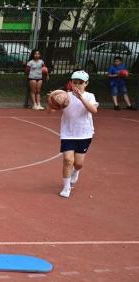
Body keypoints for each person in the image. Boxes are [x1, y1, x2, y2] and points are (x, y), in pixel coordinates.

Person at [55, 70, 98, 198]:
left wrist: (81, 98)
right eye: (75, 82)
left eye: (81, 83)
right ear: (71, 83)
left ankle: (76, 171)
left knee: (78, 163)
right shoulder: (64, 96)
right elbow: (50, 110)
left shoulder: (90, 96)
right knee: (68, 160)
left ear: (86, 84)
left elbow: (93, 110)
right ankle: (66, 187)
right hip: (68, 133)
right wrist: (53, 100)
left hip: (84, 133)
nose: (77, 85)